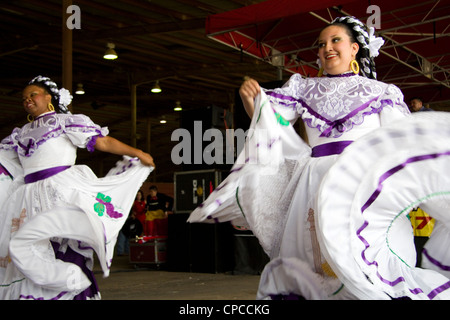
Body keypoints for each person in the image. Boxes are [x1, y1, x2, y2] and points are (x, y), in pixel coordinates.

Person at [188, 16, 450, 300]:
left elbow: (402, 143)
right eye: (321, 43)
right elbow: (273, 125)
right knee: (318, 260)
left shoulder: (382, 92)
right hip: (315, 184)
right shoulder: (302, 88)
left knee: (367, 262)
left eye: (336, 40)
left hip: (362, 184)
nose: (327, 48)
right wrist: (253, 103)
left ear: (355, 49)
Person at [0, 75, 154, 300]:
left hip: (59, 190)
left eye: (32, 94)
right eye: (24, 98)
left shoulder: (64, 122)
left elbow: (102, 141)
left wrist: (137, 153)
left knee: (63, 245)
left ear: (48, 97)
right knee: (27, 248)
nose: (27, 100)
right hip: (28, 197)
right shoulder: (19, 134)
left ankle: (74, 289)